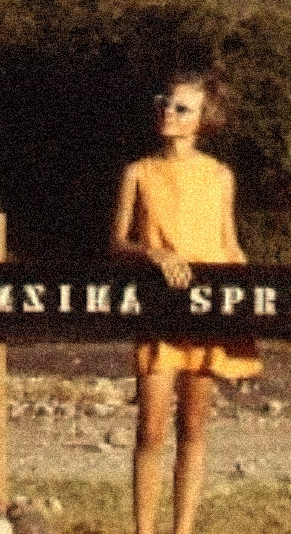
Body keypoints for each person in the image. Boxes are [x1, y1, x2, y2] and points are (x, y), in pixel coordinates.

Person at [110, 72, 261, 534]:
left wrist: (249, 299)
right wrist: (152, 252)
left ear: (202, 120)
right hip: (158, 309)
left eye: (182, 108)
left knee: (194, 428)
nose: (169, 113)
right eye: (165, 102)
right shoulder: (139, 171)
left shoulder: (220, 176)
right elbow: (117, 243)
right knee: (151, 429)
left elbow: (229, 243)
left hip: (209, 310)